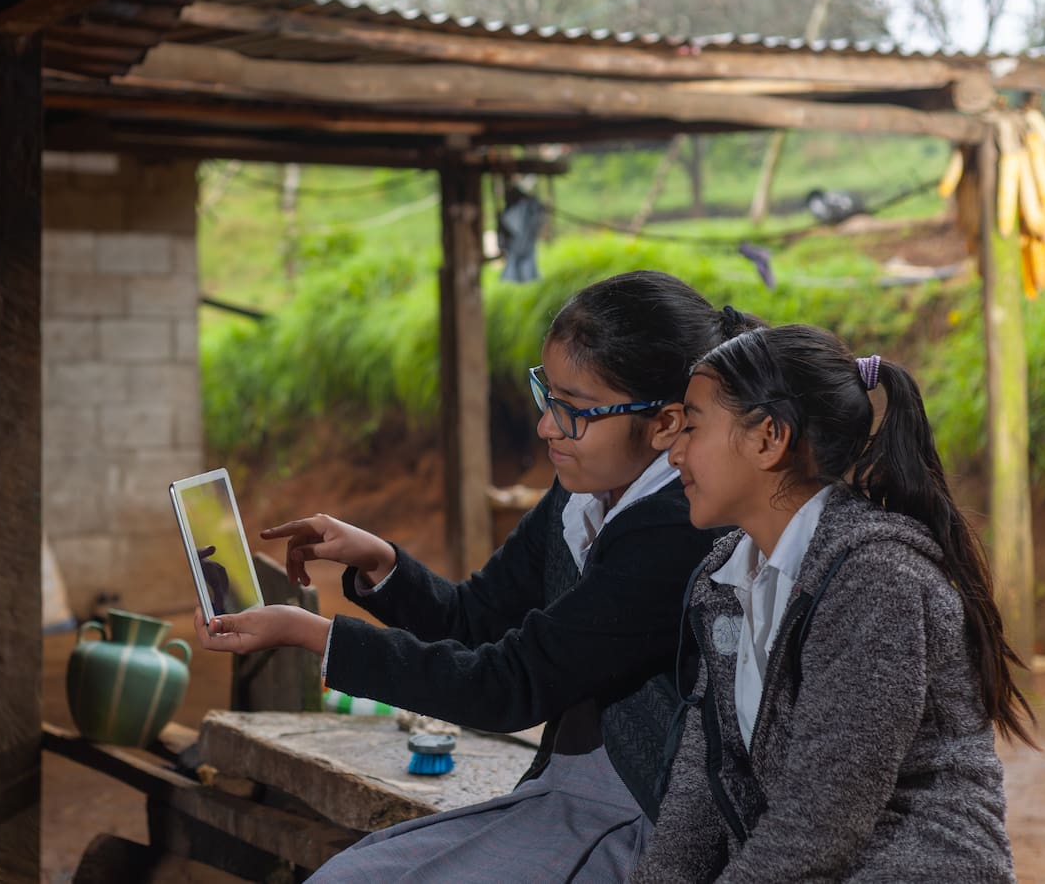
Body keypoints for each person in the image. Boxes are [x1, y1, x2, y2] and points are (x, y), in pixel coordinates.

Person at [193, 271, 761, 881]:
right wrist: (380, 562)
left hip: (652, 817)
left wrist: (312, 634)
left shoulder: (678, 527)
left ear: (667, 423)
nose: (548, 426)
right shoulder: (583, 493)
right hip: (573, 789)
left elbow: (507, 686)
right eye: (549, 395)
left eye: (576, 410)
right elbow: (477, 621)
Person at [631, 325, 1035, 883]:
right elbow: (703, 781)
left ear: (769, 438)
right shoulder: (723, 582)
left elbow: (820, 822)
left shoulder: (876, 581)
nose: (673, 451)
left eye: (693, 426)